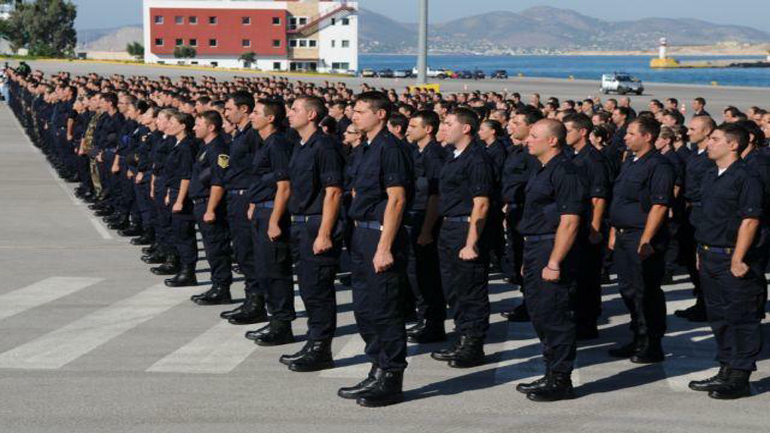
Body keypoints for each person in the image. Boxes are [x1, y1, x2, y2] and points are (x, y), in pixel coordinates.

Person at [338, 91, 413, 408]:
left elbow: (396, 199)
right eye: (353, 111)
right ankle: (377, 367)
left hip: (381, 236)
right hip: (361, 235)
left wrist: (384, 248)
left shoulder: (391, 148)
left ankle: (392, 378)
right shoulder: (366, 148)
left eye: (360, 111)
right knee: (365, 310)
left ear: (380, 114)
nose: (353, 115)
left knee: (385, 309)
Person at [688, 124, 764, 400]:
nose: (709, 143)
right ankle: (726, 368)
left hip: (732, 256)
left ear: (733, 145)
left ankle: (740, 376)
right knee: (719, 316)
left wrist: (739, 257)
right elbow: (709, 218)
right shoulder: (712, 175)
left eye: (715, 139)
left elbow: (750, 219)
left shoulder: (747, 177)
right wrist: (700, 250)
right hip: (709, 254)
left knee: (740, 317)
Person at [515, 119, 585, 401]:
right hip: (536, 247)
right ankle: (550, 371)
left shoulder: (566, 171)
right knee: (540, 312)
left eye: (534, 136)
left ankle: (561, 379)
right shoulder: (543, 169)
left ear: (552, 141)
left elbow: (569, 222)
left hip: (550, 248)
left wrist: (554, 262)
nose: (527, 140)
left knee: (555, 314)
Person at [278, 95, 346, 371]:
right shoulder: (301, 145)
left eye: (295, 110)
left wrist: (325, 233)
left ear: (312, 115)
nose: (290, 113)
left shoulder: (325, 146)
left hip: (317, 224)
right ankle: (313, 341)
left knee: (318, 289)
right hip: (301, 223)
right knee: (307, 286)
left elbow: (333, 191)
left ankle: (321, 348)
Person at [430, 108, 494, 368]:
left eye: (448, 123)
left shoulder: (477, 159)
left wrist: (471, 242)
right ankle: (461, 336)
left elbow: (481, 204)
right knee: (454, 288)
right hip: (449, 228)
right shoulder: (453, 156)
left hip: (467, 228)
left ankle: (473, 344)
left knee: (470, 289)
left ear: (465, 128)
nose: (443, 127)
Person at [607, 117, 675, 363]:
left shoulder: (659, 165)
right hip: (625, 235)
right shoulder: (631, 162)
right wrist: (614, 231)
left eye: (631, 133)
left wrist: (645, 240)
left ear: (647, 137)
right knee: (627, 289)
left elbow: (659, 206)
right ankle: (637, 337)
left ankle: (651, 343)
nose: (625, 137)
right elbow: (621, 200)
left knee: (646, 291)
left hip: (641, 236)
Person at [244, 99, 296, 346]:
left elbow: (284, 187)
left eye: (256, 113)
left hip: (272, 214)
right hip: (262, 210)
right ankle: (274, 318)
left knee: (276, 271)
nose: (252, 116)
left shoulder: (277, 144)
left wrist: (274, 221)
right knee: (265, 268)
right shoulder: (266, 143)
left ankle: (282, 324)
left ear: (271, 118)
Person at [218, 91, 268, 326]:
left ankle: (256, 303)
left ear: (244, 109)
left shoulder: (253, 136)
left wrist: (253, 201)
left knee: (248, 252)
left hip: (245, 197)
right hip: (234, 195)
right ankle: (251, 299)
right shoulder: (239, 134)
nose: (226, 113)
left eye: (229, 109)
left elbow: (259, 171)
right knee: (241, 250)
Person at [563, 113, 610, 340]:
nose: (564, 135)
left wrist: (594, 229)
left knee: (587, 278)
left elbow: (598, 198)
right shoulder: (573, 155)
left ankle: (587, 324)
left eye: (568, 130)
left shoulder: (593, 159)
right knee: (576, 276)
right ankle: (579, 318)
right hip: (576, 224)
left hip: (587, 227)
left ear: (582, 132)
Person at [403, 110, 447, 344]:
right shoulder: (416, 152)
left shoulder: (434, 156)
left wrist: (427, 230)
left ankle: (434, 323)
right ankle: (424, 318)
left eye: (412, 126)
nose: (407, 129)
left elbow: (435, 196)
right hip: (413, 216)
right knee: (415, 272)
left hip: (426, 220)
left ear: (428, 129)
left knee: (428, 275)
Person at [188, 110, 234, 305]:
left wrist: (211, 209)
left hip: (209, 204)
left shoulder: (218, 149)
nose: (194, 128)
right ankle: (217, 285)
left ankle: (222, 289)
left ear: (211, 127)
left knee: (217, 248)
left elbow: (218, 182)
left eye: (198, 124)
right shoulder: (205, 147)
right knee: (211, 248)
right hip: (201, 202)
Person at [676, 116, 717, 322]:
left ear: (707, 131)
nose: (688, 132)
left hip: (702, 211)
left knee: (702, 261)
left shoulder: (711, 156)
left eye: (693, 129)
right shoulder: (694, 153)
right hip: (689, 211)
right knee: (691, 260)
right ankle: (701, 302)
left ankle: (707, 305)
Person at [162, 112, 199, 287]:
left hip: (183, 195)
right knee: (178, 232)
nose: (168, 125)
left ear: (183, 126)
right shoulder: (178, 144)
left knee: (184, 234)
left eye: (172, 122)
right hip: (176, 191)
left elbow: (186, 176)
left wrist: (180, 200)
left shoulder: (186, 146)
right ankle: (182, 268)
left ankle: (188, 272)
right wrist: (170, 193)